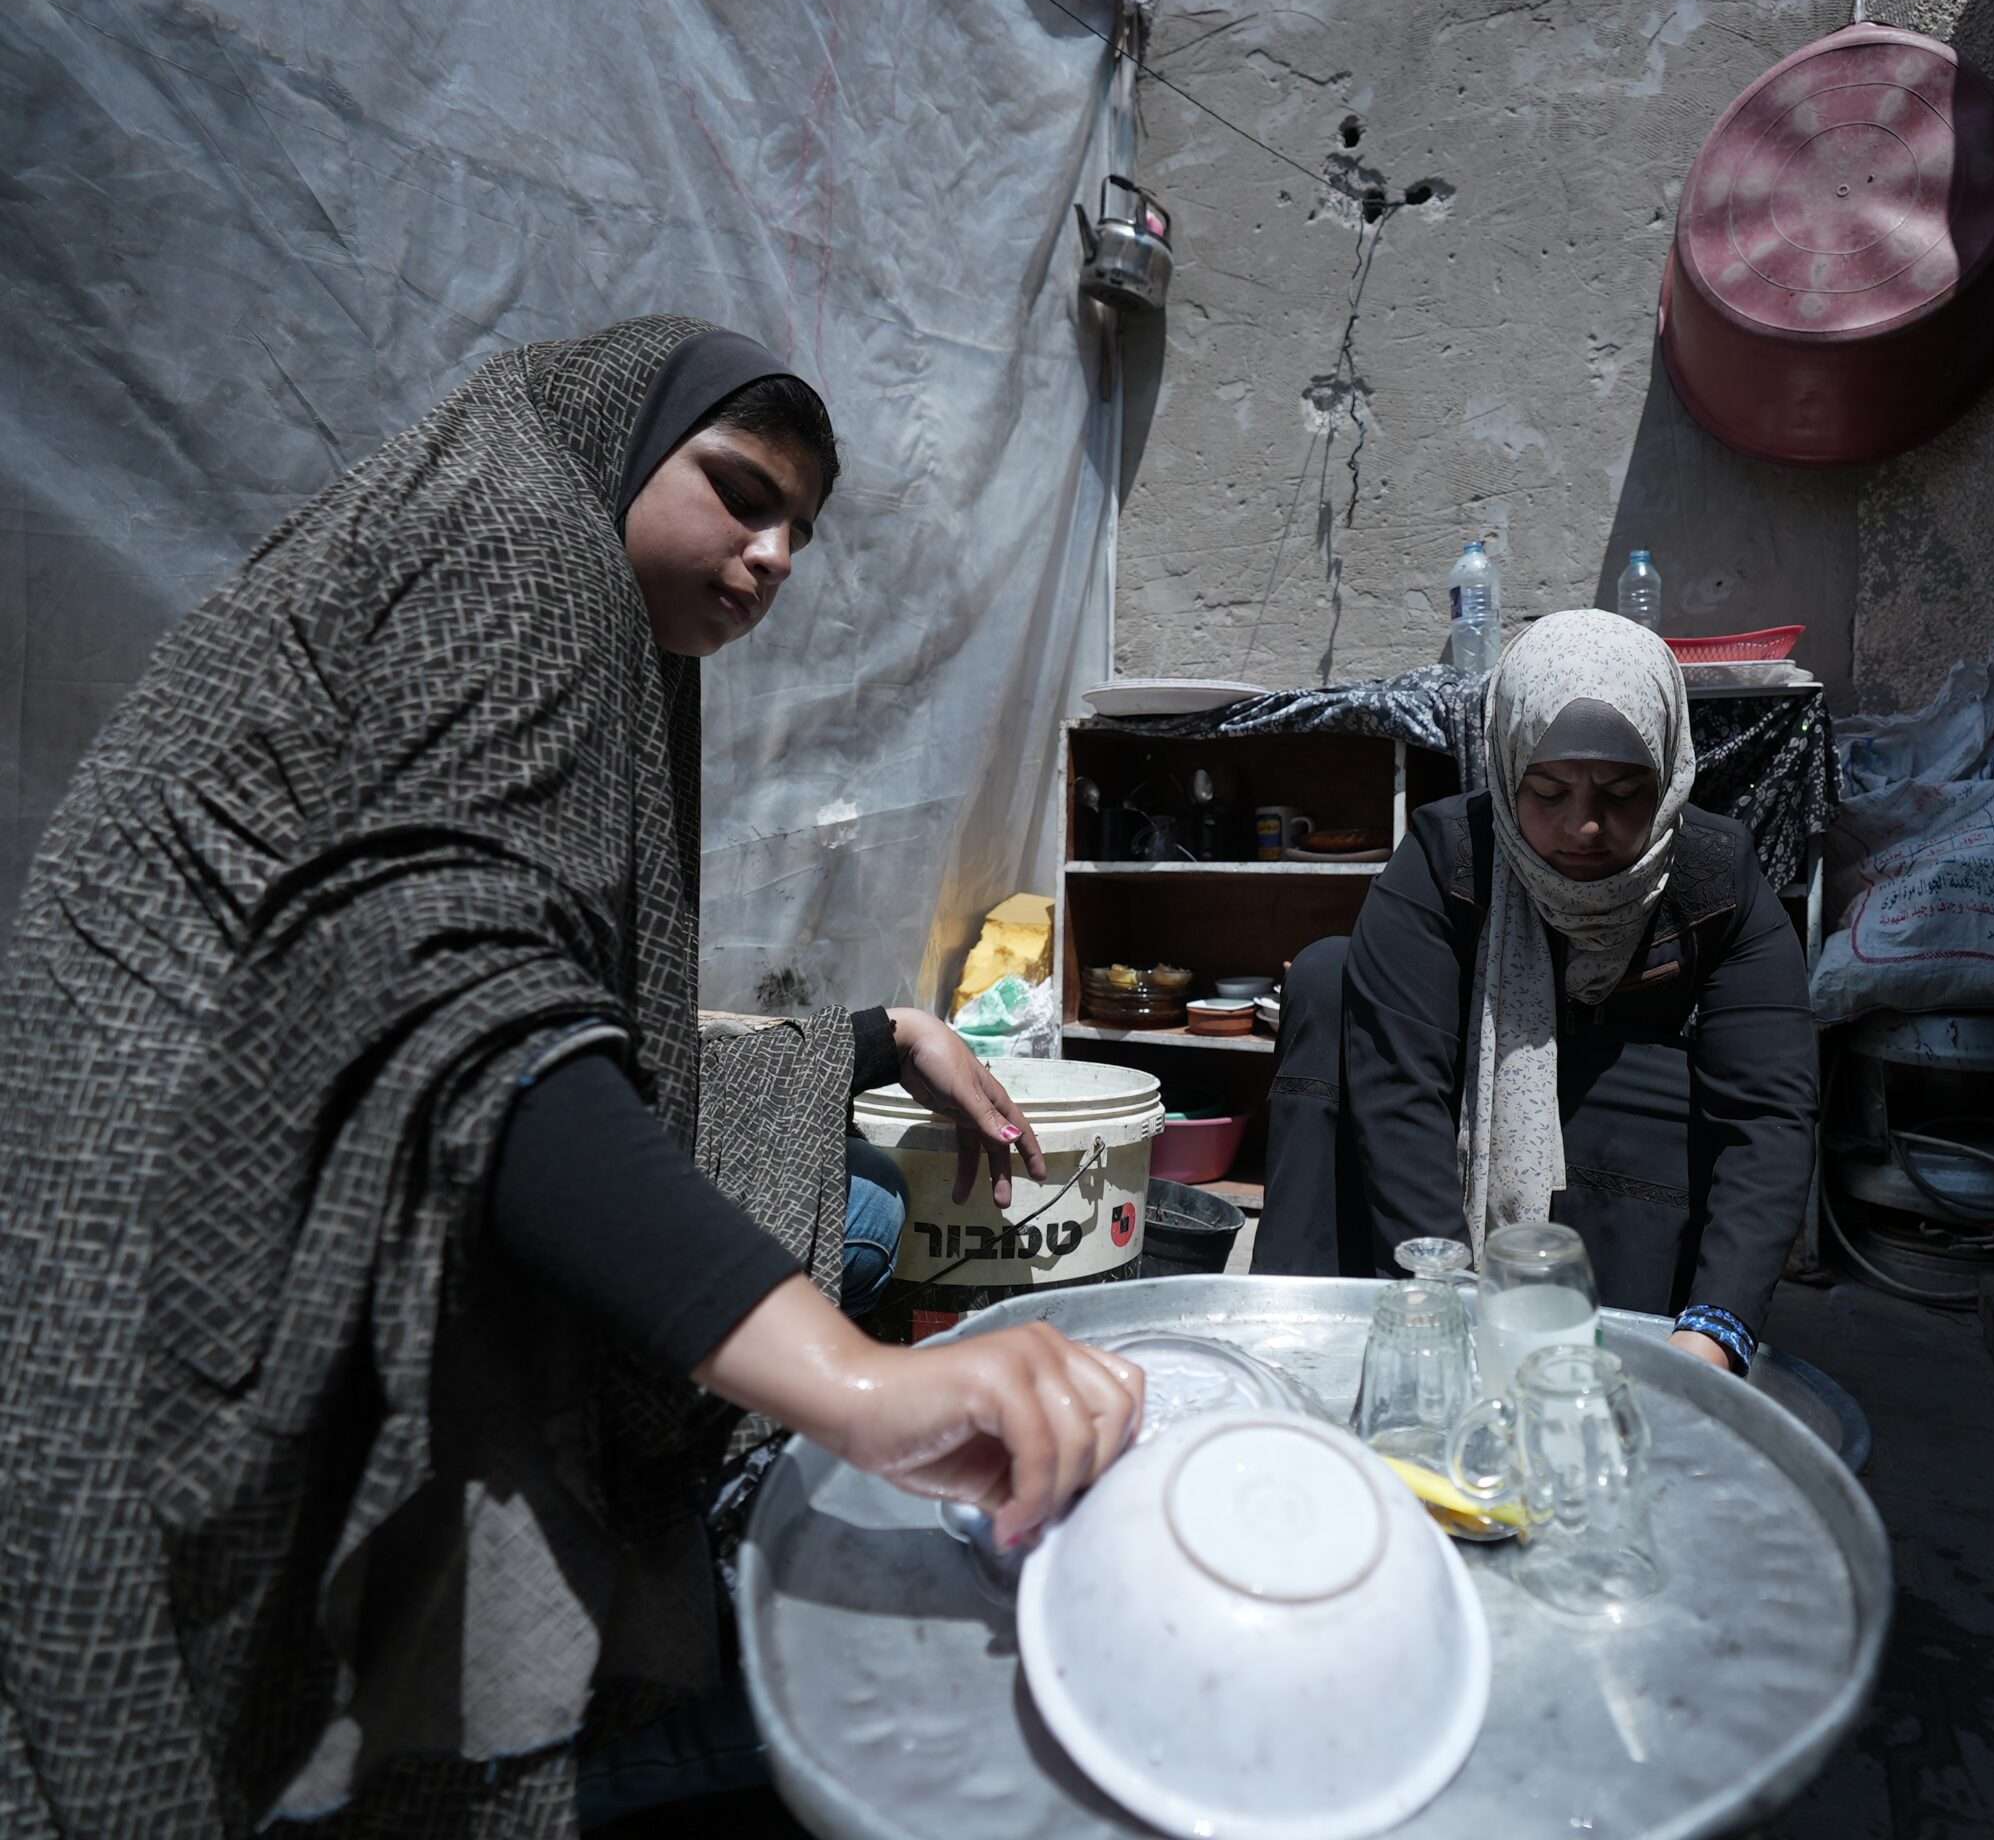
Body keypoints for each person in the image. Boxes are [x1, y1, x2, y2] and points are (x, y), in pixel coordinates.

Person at [0, 316, 1142, 1837]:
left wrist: (884, 1036)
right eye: (739, 494)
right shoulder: (515, 551)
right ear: (620, 443)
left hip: (313, 1121)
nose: (775, 556)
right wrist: (861, 1384)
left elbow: (556, 989)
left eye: (798, 528)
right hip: (200, 1219)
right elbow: (466, 1001)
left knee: (856, 1200)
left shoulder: (579, 595)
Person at [1253, 609, 1817, 1378]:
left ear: (1670, 772)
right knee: (1328, 976)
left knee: (1655, 1082)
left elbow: (1768, 1112)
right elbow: (1400, 1089)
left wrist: (1715, 1333)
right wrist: (1443, 1299)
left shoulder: (1718, 881)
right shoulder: (1447, 860)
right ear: (1508, 764)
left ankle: (1643, 1316)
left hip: (1618, 1136)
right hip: (1463, 1104)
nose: (1584, 827)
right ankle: (1306, 1334)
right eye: (1548, 791)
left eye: (1622, 793)